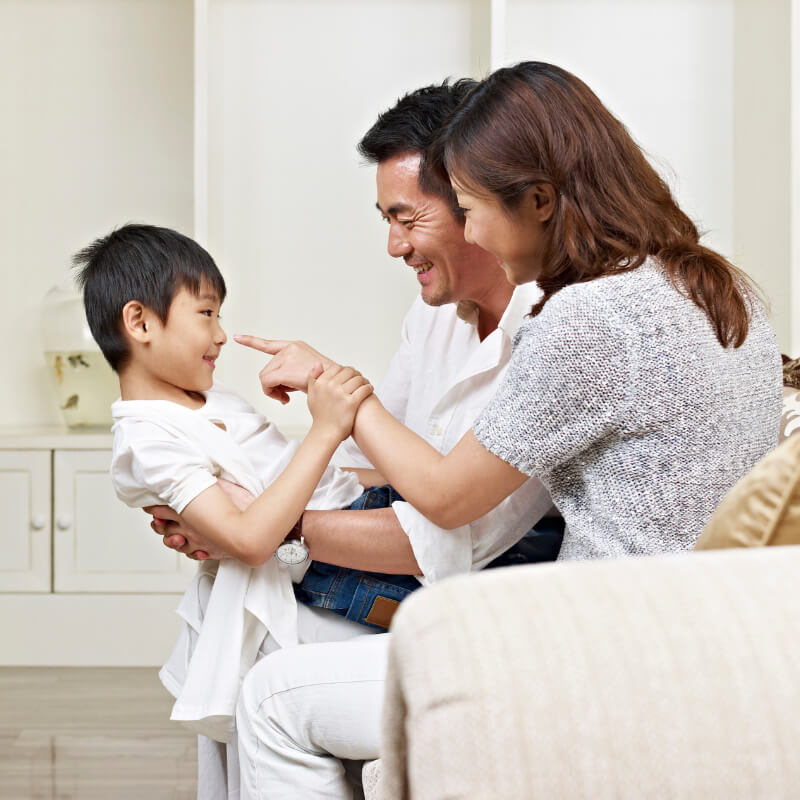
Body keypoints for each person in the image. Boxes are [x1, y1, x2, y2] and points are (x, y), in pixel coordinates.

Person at [234, 62, 782, 798]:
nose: (477, 235)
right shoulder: (718, 285)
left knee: (273, 700)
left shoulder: (590, 318)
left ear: (542, 200)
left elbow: (448, 498)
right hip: (707, 639)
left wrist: (345, 395)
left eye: (471, 208)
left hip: (605, 654)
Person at [147, 80, 559, 798]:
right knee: (231, 603)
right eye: (385, 220)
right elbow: (356, 457)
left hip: (490, 599)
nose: (393, 245)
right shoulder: (436, 314)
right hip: (426, 578)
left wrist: (260, 527)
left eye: (406, 218)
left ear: (474, 198)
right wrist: (226, 501)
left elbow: (449, 530)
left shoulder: (557, 335)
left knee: (255, 635)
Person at [74, 223, 375, 747]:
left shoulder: (215, 401)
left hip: (359, 512)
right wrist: (326, 429)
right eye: (207, 312)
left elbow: (309, 481)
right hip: (335, 567)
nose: (220, 334)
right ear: (139, 322)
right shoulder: (148, 439)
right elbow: (250, 540)